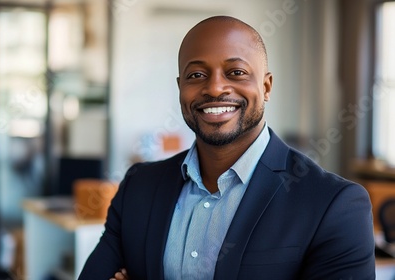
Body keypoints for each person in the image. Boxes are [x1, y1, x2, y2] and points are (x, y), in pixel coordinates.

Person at [79, 15, 375, 280]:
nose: (215, 88)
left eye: (236, 72)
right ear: (181, 87)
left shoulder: (333, 204)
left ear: (266, 87)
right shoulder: (138, 186)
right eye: (196, 75)